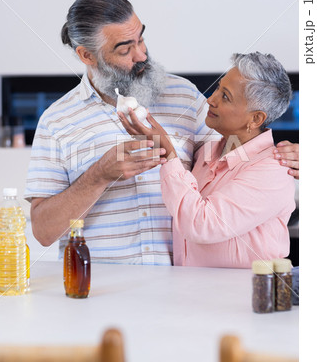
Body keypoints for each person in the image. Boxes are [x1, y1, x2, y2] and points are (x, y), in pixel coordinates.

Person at [24, 0, 299, 266]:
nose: (142, 55)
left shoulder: (185, 96)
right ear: (87, 55)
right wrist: (99, 175)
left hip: (183, 291)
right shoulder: (56, 121)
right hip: (100, 294)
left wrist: (287, 157)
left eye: (141, 38)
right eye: (125, 49)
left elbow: (235, 157)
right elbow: (44, 232)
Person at [119, 52, 295, 267]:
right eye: (219, 88)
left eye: (225, 96)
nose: (211, 99)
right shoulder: (207, 153)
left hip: (241, 296)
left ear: (255, 118)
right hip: (190, 290)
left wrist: (168, 152)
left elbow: (202, 225)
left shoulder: (273, 170)